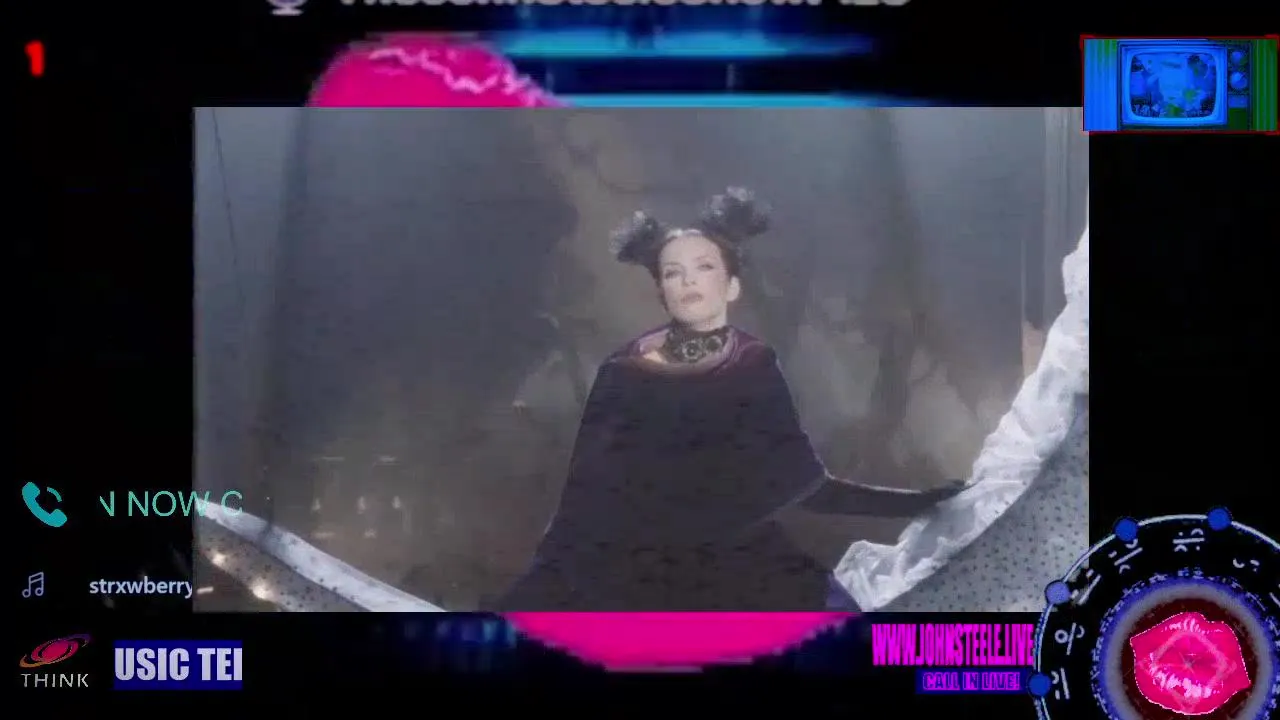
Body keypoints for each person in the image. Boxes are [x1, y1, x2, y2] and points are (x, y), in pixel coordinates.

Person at [497, 188, 966, 612]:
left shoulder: (754, 364)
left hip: (745, 563)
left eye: (704, 267)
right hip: (645, 572)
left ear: (732, 284)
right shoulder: (623, 372)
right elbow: (582, 501)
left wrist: (917, 502)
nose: (689, 282)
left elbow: (806, 484)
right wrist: (536, 590)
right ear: (661, 291)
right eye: (674, 272)